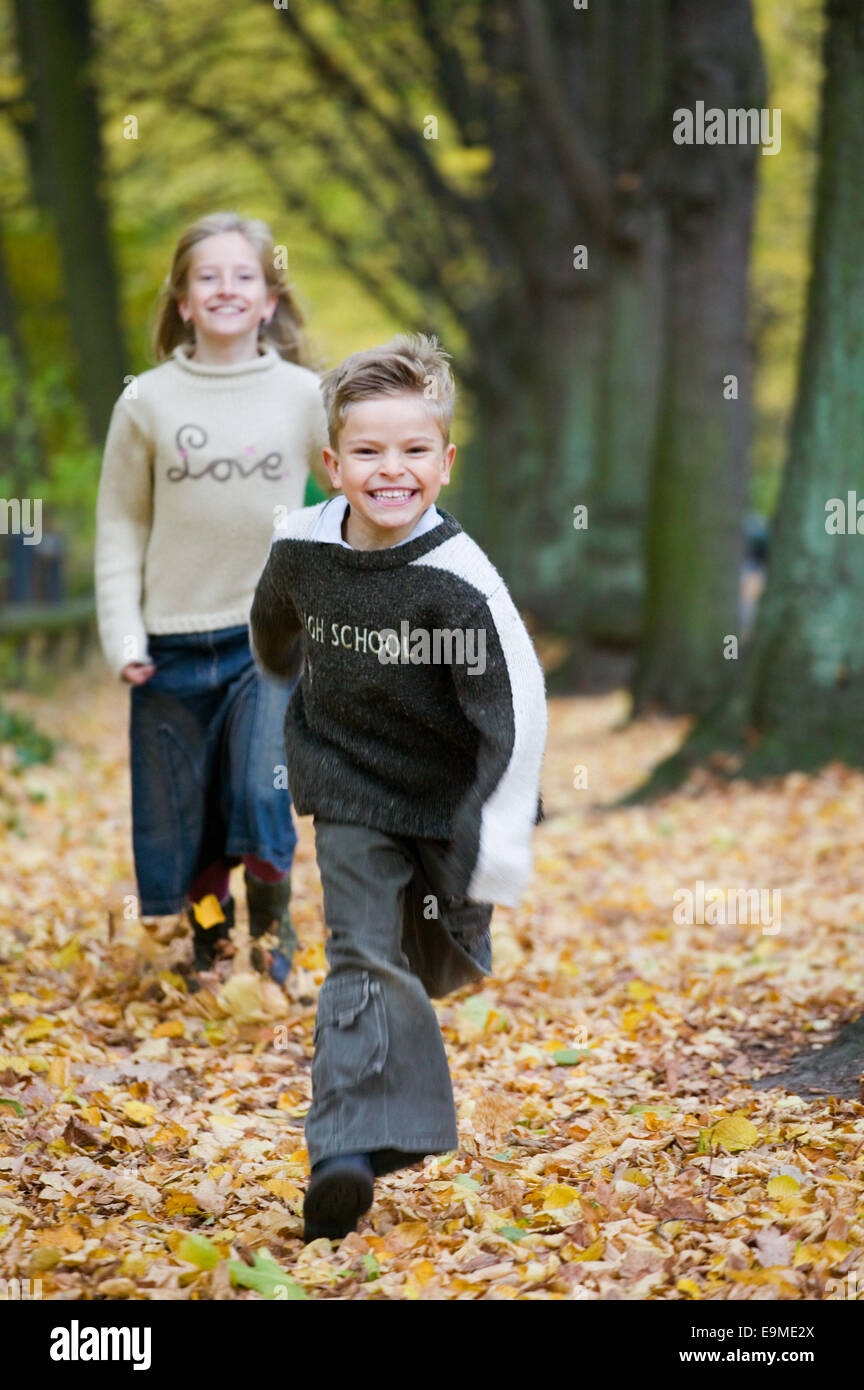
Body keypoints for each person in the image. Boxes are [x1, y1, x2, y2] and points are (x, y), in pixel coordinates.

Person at [249, 333, 547, 1242]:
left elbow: (518, 711)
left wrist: (497, 838)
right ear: (332, 465)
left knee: (432, 958)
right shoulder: (300, 545)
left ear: (445, 462)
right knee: (358, 952)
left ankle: (386, 1120)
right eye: (368, 452)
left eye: (414, 450)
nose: (392, 470)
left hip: (449, 796)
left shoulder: (460, 581)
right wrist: (285, 667)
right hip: (344, 782)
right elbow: (272, 628)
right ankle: (344, 1150)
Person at [94, 212, 330, 987]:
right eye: (208, 276)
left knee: (259, 794)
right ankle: (209, 941)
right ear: (184, 301)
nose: (226, 287)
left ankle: (272, 945)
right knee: (189, 825)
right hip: (170, 647)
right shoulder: (146, 402)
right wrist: (124, 637)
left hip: (269, 641)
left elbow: (353, 498)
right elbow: (122, 527)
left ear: (269, 300)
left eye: (244, 276)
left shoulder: (304, 397)